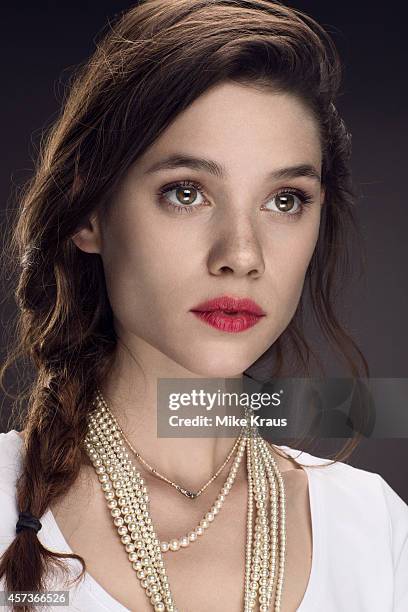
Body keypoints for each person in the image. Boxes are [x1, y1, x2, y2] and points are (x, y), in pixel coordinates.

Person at [0, 1, 407, 611]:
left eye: (286, 200)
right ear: (90, 212)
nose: (241, 255)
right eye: (186, 192)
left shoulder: (374, 530)